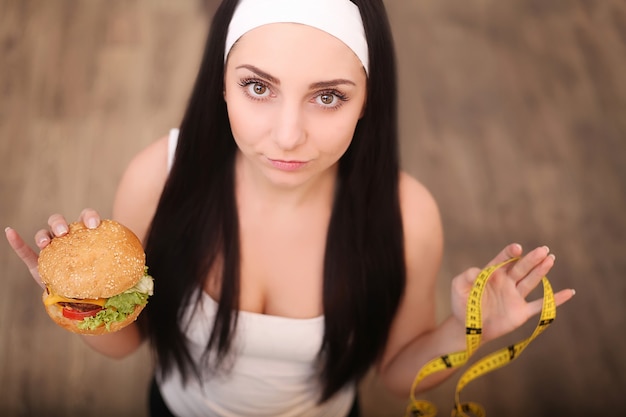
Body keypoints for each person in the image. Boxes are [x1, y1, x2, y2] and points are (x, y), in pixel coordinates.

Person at [5, 0, 576, 416]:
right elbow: (125, 343)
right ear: (222, 85)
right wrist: (83, 304)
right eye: (258, 87)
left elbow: (399, 376)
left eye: (327, 97)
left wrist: (467, 327)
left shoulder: (408, 216)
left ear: (365, 101)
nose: (286, 136)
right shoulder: (157, 177)